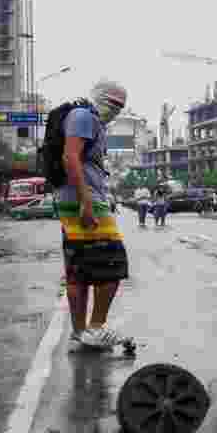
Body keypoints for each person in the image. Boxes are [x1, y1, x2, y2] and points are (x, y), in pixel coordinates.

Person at [57, 79, 130, 349]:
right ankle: (96, 327)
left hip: (77, 200)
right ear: (98, 97)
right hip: (83, 202)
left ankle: (81, 333)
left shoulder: (89, 120)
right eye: (113, 103)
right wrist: (87, 202)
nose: (116, 110)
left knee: (79, 270)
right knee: (113, 264)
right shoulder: (84, 116)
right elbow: (70, 157)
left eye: (121, 107)